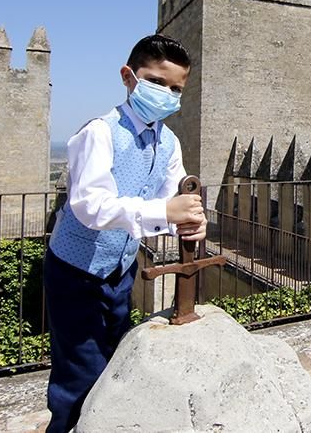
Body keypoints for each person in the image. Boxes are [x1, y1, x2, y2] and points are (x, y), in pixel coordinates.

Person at [44, 34, 207, 433]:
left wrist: (187, 221)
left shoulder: (168, 142)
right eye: (156, 82)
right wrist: (165, 210)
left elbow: (170, 199)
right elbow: (89, 204)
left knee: (115, 362)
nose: (166, 95)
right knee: (80, 378)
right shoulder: (98, 132)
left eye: (176, 89)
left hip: (120, 272)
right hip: (73, 271)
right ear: (128, 77)